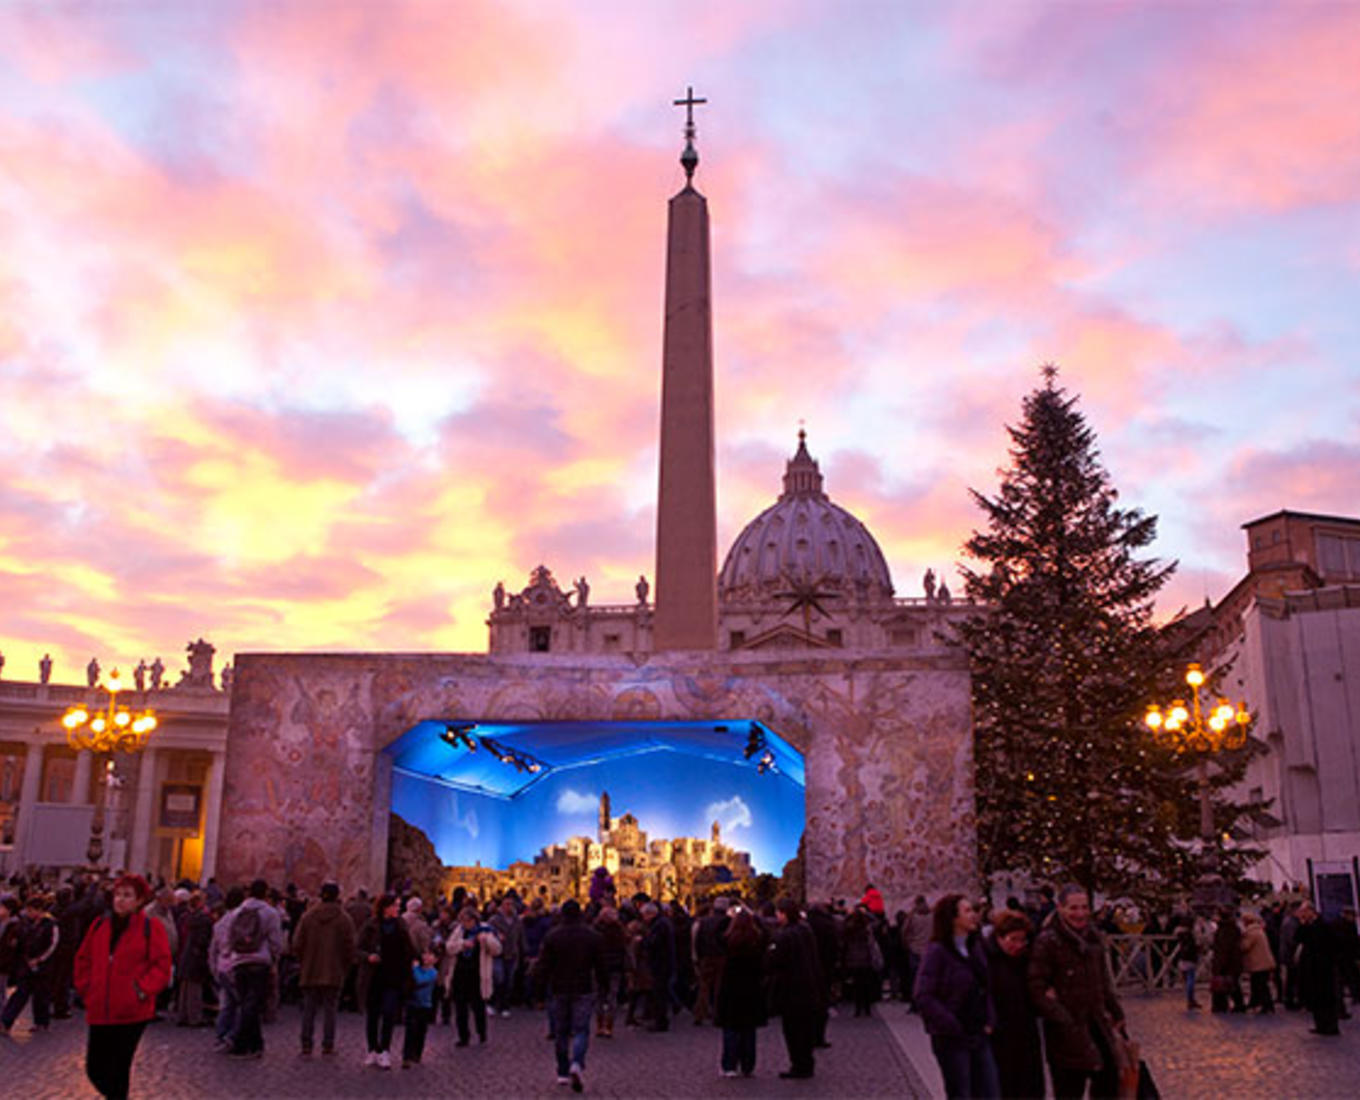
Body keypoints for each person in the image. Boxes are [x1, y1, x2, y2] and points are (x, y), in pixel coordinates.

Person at [73, 874, 172, 1100]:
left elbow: (162, 965)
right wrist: (87, 988)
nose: (120, 900)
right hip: (99, 1007)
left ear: (139, 901)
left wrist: (141, 990)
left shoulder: (150, 927)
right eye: (118, 895)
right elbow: (83, 959)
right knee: (94, 1068)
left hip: (132, 1011)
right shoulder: (99, 925)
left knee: (119, 1068)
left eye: (127, 896)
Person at [1028, 884, 1126, 1100]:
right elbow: (1037, 988)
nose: (1080, 913)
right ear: (1061, 908)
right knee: (1070, 1088)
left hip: (1096, 1023)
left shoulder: (1094, 938)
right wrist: (1062, 1018)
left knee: (1108, 1080)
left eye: (1084, 907)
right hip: (1066, 1031)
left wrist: (1116, 1011)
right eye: (1073, 908)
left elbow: (1103, 980)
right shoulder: (1047, 941)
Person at [914, 894, 999, 1099]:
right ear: (952, 918)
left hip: (978, 1031)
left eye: (973, 910)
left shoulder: (975, 947)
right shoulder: (937, 951)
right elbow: (923, 995)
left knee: (990, 1091)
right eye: (967, 911)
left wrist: (990, 1019)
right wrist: (951, 1024)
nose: (974, 915)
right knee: (961, 1092)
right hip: (953, 1037)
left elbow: (986, 987)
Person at [533, 898, 608, 1092]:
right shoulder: (592, 936)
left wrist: (538, 992)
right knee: (581, 1029)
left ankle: (562, 1072)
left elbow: (543, 966)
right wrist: (604, 989)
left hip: (559, 988)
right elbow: (601, 966)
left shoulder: (553, 936)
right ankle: (577, 1063)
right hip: (584, 988)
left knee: (561, 1031)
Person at [220, 878, 284, 1058]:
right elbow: (276, 941)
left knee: (247, 1003)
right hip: (259, 962)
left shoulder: (237, 912)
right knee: (252, 1004)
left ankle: (256, 1045)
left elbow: (228, 936)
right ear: (265, 893)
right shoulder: (270, 913)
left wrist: (229, 956)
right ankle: (240, 1044)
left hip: (239, 961)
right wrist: (274, 958)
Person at [984, 909, 1043, 1100]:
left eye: (1022, 940)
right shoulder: (986, 960)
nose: (1018, 945)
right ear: (1000, 937)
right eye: (1013, 939)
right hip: (998, 1036)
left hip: (1026, 1033)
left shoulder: (1027, 959)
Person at [292, 881, 357, 1057]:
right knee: (330, 1009)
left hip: (310, 969)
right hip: (334, 970)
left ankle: (306, 1044)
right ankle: (328, 1045)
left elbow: (297, 943)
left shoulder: (308, 917)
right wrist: (345, 966)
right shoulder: (344, 919)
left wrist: (304, 961)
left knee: (309, 1008)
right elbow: (350, 947)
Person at [767, 899, 825, 1079]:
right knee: (805, 1028)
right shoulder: (806, 931)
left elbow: (774, 961)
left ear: (784, 913)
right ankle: (806, 1063)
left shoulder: (784, 935)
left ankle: (799, 1064)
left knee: (793, 1029)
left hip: (790, 988)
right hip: (808, 985)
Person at [358, 894, 414, 1068]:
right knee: (373, 1014)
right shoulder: (371, 925)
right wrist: (368, 957)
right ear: (385, 907)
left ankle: (385, 1050)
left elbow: (409, 949)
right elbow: (358, 948)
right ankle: (372, 1049)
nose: (398, 909)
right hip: (374, 975)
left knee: (389, 1013)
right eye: (395, 905)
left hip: (394, 975)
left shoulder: (401, 925)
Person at [715, 907, 767, 1078]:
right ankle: (747, 1065)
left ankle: (729, 1065)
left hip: (731, 989)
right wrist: (754, 917)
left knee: (731, 1029)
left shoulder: (729, 941)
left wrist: (728, 917)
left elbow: (716, 934)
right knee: (748, 1030)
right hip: (751, 989)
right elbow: (767, 934)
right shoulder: (757, 942)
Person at [0, 893, 59, 1033]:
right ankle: (5, 1023)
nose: (28, 913)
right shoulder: (25, 922)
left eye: (31, 910)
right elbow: (20, 938)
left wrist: (39, 959)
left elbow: (53, 945)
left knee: (40, 997)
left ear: (40, 910)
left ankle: (41, 1023)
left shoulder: (50, 924)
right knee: (20, 994)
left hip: (43, 967)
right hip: (26, 964)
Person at [446, 904, 501, 1047]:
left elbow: (497, 950)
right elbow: (449, 947)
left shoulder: (486, 930)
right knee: (460, 1007)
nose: (466, 924)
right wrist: (462, 944)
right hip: (460, 973)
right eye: (463, 921)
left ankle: (481, 1032)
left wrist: (486, 941)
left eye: (468, 921)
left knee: (478, 1006)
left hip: (477, 974)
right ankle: (463, 1036)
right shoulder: (459, 931)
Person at [1295, 900, 1341, 1036]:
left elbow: (1330, 945)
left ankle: (1331, 1026)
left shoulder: (1323, 925)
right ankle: (1320, 1024)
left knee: (1326, 997)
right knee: (1316, 998)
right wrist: (1303, 925)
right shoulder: (1309, 926)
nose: (1302, 914)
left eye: (1304, 912)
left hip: (1323, 967)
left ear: (1311, 911)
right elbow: (1298, 938)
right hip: (1312, 967)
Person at [174, 891, 214, 1026]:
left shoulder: (187, 918)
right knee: (194, 989)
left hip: (186, 954)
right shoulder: (203, 919)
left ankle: (183, 1015)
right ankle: (194, 1017)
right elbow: (203, 940)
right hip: (196, 956)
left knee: (185, 988)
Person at [640, 902, 674, 1032]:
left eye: (644, 915)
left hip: (660, 963)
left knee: (659, 993)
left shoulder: (659, 925)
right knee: (660, 992)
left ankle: (660, 1021)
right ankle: (660, 1019)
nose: (643, 918)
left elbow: (655, 943)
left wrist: (643, 941)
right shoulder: (662, 923)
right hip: (663, 962)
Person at [402, 948, 439, 1068]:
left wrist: (413, 969)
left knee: (421, 1031)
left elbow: (419, 980)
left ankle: (417, 1053)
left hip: (425, 1005)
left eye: (430, 955)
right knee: (410, 1030)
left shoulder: (433, 973)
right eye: (425, 954)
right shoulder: (416, 968)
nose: (427, 957)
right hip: (412, 1004)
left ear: (435, 960)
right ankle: (406, 1056)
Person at [1210, 909, 1246, 1013]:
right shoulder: (1233, 928)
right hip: (1233, 961)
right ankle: (1236, 1004)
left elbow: (1224, 949)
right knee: (1232, 983)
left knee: (1225, 983)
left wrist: (1220, 964)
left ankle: (1223, 1005)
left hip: (1227, 962)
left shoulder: (1225, 930)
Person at [1241, 911, 1276, 1014]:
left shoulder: (1251, 932)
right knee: (1260, 984)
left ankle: (1266, 1005)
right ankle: (1260, 1004)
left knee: (1260, 985)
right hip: (1264, 962)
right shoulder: (1259, 930)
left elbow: (1245, 946)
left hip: (1258, 963)